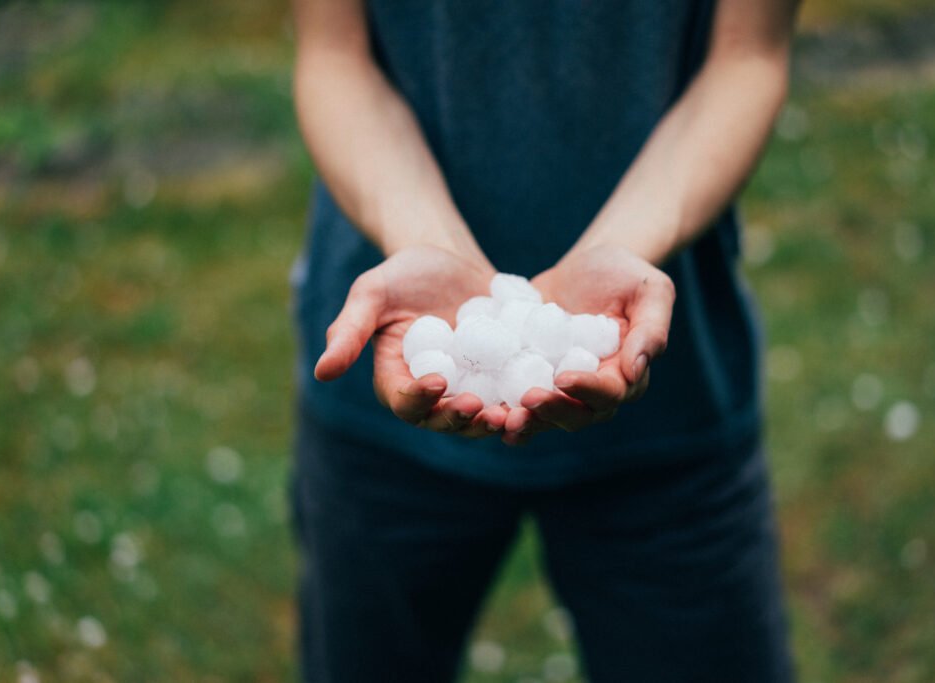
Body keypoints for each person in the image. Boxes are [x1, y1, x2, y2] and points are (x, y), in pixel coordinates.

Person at [289, 1, 799, 681]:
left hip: (672, 401)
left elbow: (747, 58)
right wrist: (426, 242)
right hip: (389, 389)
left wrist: (621, 247)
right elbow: (334, 54)